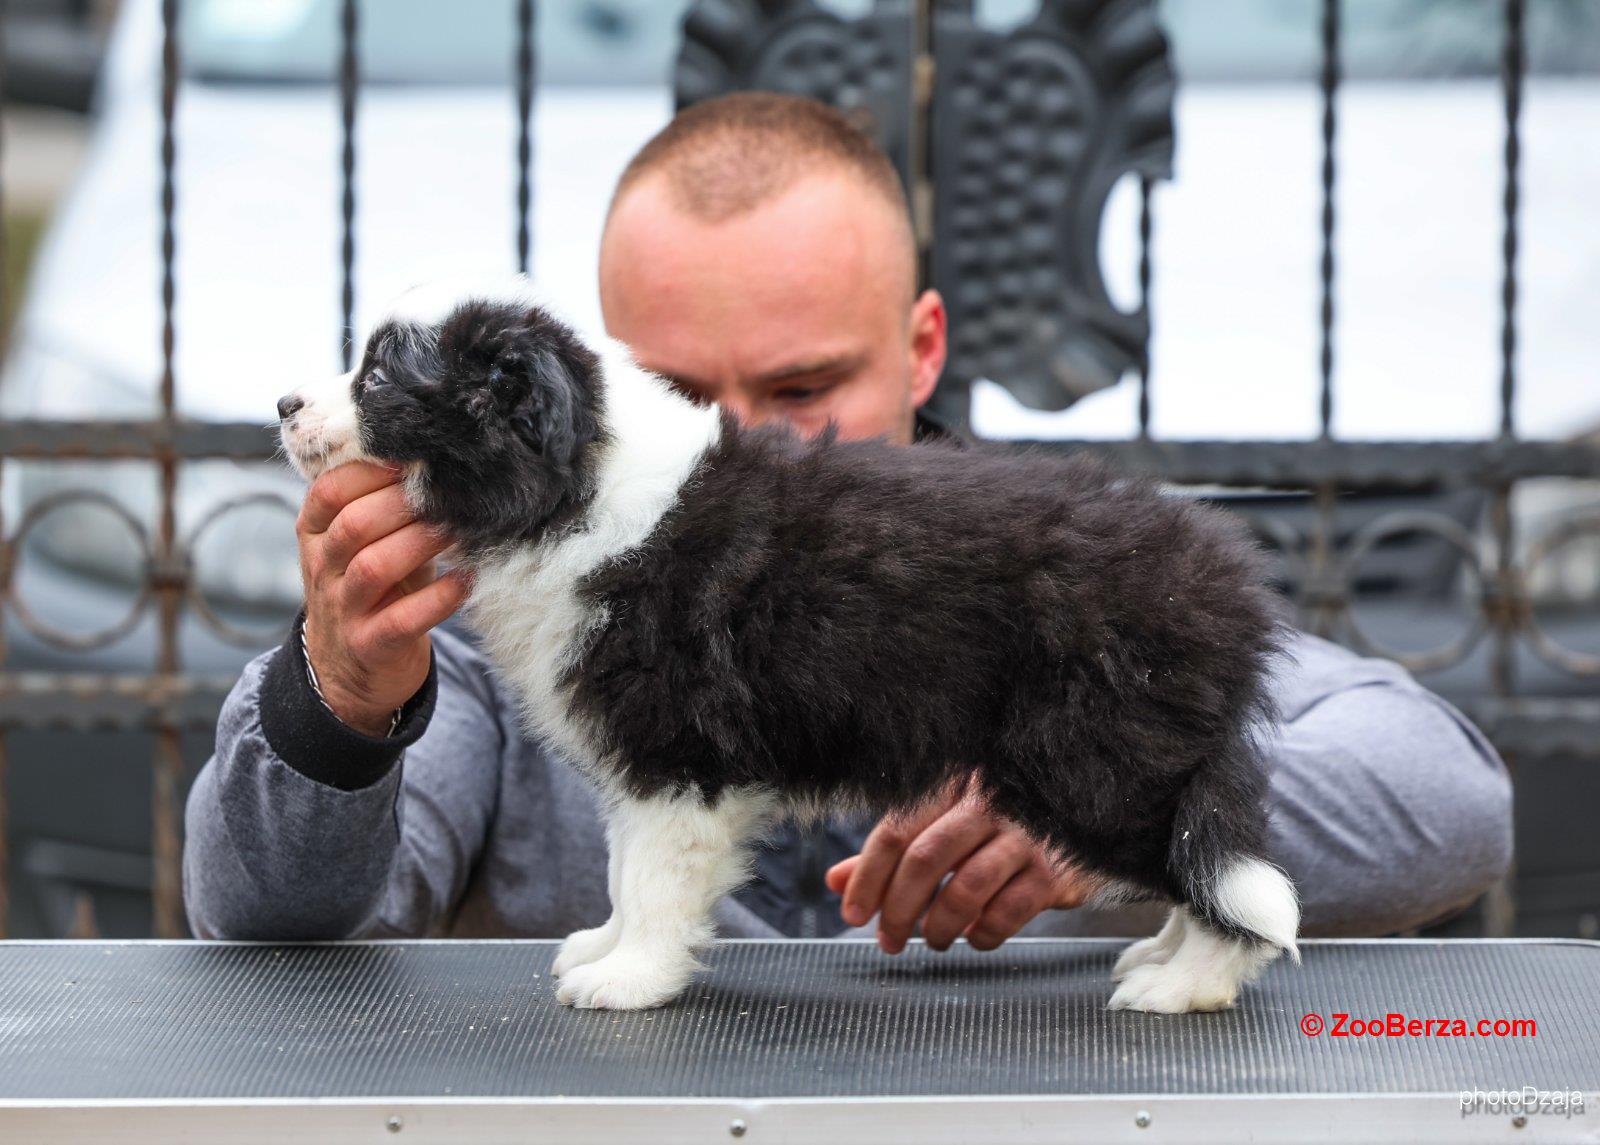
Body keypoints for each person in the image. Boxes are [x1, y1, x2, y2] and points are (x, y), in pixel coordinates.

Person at [183, 93, 1512, 952]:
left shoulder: (1043, 563)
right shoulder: (495, 605)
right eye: (684, 394)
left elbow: (1451, 793)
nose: (748, 438)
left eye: (806, 385)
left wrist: (1114, 828)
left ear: (923, 345)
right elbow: (274, 922)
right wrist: (337, 700)